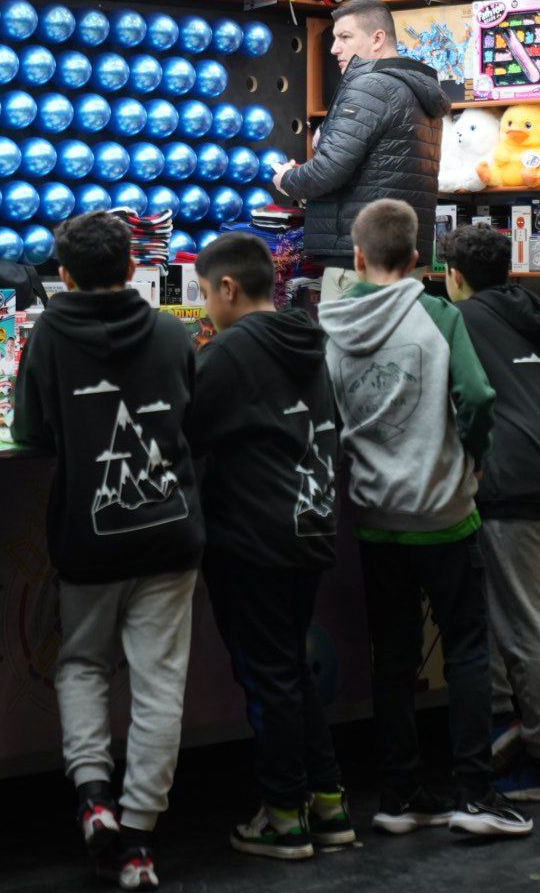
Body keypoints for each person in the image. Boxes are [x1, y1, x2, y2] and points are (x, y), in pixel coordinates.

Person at [319, 199, 532, 839]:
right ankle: (474, 793)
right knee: (467, 651)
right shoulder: (436, 312)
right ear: (418, 259)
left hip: (375, 514)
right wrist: (475, 459)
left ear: (357, 257)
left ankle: (398, 795)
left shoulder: (331, 323)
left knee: (393, 659)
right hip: (443, 511)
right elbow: (476, 396)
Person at [10, 212, 205, 891]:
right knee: (159, 683)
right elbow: (194, 417)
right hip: (173, 529)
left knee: (84, 665)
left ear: (62, 274)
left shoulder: (49, 333)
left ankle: (94, 799)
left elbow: (29, 428)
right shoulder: (173, 330)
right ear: (132, 268)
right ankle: (142, 837)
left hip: (89, 534)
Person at [186, 232, 353, 861]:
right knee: (292, 670)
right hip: (310, 523)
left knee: (269, 677)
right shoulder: (309, 340)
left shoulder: (229, 352)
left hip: (252, 534)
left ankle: (284, 816)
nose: (205, 308)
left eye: (205, 294)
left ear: (228, 287)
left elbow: (189, 429)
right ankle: (329, 803)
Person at [440, 225, 540, 804]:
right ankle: (508, 729)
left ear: (454, 275)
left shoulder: (464, 319)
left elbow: (466, 397)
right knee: (508, 614)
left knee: (526, 622)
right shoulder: (530, 315)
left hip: (511, 480)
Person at [272, 0, 451, 304]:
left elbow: (330, 169)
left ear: (377, 38)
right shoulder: (414, 89)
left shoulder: (371, 86)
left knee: (346, 350)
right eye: (334, 39)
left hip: (360, 262)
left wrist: (288, 179)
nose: (334, 49)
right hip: (403, 257)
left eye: (345, 37)